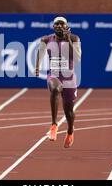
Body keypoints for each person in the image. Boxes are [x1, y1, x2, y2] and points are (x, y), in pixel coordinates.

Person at [35, 16, 82, 148]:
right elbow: (40, 52)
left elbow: (77, 58)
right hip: (54, 75)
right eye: (57, 24)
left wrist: (67, 40)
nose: (59, 26)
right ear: (53, 26)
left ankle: (70, 131)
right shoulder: (46, 39)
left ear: (66, 26)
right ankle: (54, 125)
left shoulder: (74, 38)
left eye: (62, 24)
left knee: (69, 112)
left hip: (69, 78)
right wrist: (37, 66)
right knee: (55, 89)